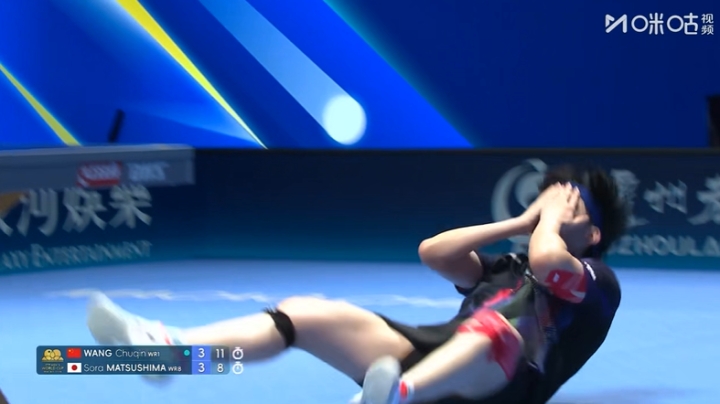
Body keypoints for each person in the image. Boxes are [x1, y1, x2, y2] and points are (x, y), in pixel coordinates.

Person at [86, 165, 627, 404]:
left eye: (570, 205)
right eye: (553, 200)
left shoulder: (599, 284)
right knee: (302, 314)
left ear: (594, 233)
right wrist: (521, 220)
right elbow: (435, 252)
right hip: (434, 357)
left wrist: (548, 224)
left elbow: (551, 263)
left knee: (495, 333)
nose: (555, 208)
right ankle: (172, 353)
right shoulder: (509, 265)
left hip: (501, 388)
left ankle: (395, 396)